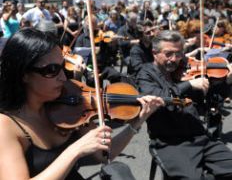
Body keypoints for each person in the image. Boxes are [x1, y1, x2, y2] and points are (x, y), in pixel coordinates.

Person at [0, 28, 164, 179]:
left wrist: (135, 124)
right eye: (51, 70)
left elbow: (104, 154)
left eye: (63, 67)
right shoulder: (6, 125)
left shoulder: (72, 108)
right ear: (24, 74)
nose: (64, 78)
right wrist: (75, 150)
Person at [136, 30, 232, 179]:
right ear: (155, 53)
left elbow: (215, 96)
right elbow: (156, 98)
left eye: (179, 54)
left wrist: (227, 81)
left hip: (200, 136)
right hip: (170, 143)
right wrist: (188, 85)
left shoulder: (186, 68)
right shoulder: (146, 73)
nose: (175, 59)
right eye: (169, 54)